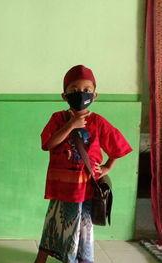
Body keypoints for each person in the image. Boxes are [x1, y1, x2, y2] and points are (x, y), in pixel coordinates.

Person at [34, 65, 132, 263]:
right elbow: (48, 144)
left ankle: (75, 259)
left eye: (87, 90)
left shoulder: (98, 122)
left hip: (83, 189)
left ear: (94, 95)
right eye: (74, 90)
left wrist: (107, 167)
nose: (81, 94)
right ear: (64, 95)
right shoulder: (58, 119)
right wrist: (71, 124)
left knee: (80, 226)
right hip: (60, 186)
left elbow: (118, 146)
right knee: (53, 222)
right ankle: (42, 258)